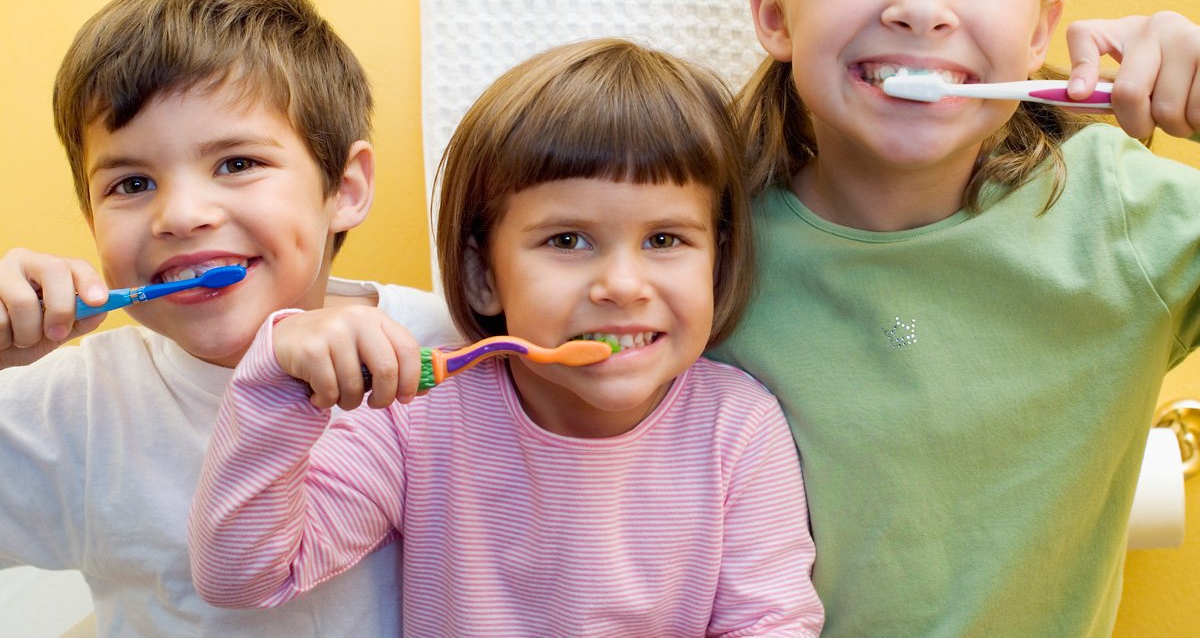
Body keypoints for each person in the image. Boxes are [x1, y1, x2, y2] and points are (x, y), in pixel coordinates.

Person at [706, 0, 1200, 637]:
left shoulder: (1123, 217)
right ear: (774, 14)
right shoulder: (688, 245)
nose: (922, 9)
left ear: (1039, 27)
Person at [188, 38, 825, 637]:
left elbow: (771, 623)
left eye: (664, 240)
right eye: (568, 240)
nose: (623, 285)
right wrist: (275, 378)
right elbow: (245, 577)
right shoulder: (417, 418)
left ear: (717, 261)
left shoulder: (738, 428)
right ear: (482, 275)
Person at [0, 0, 454, 635]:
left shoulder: (446, 347)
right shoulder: (75, 406)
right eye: (132, 183)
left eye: (237, 163)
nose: (181, 215)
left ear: (345, 189)